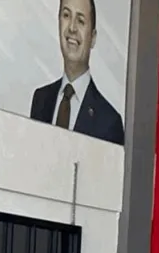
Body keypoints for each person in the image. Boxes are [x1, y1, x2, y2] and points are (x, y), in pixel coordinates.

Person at [30, 0, 125, 145]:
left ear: (93, 38)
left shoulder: (110, 122)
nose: (72, 28)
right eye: (66, 15)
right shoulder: (40, 100)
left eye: (80, 21)